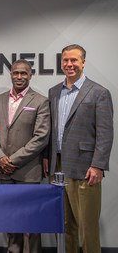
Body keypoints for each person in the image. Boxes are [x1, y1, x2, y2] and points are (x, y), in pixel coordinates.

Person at [44, 44, 113, 253]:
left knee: (87, 226)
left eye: (74, 60)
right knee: (64, 226)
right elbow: (52, 128)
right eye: (65, 60)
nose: (69, 64)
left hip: (85, 168)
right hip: (58, 166)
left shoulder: (99, 92)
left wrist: (98, 165)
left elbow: (105, 133)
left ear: (83, 62)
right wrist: (47, 157)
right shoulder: (54, 91)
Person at [0, 60, 50, 253]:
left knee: (31, 221)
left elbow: (41, 138)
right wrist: (0, 157)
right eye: (16, 73)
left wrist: (13, 160)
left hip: (28, 171)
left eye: (24, 73)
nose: (19, 77)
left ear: (30, 75)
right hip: (4, 170)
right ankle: (13, 250)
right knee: (11, 217)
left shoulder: (40, 101)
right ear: (10, 74)